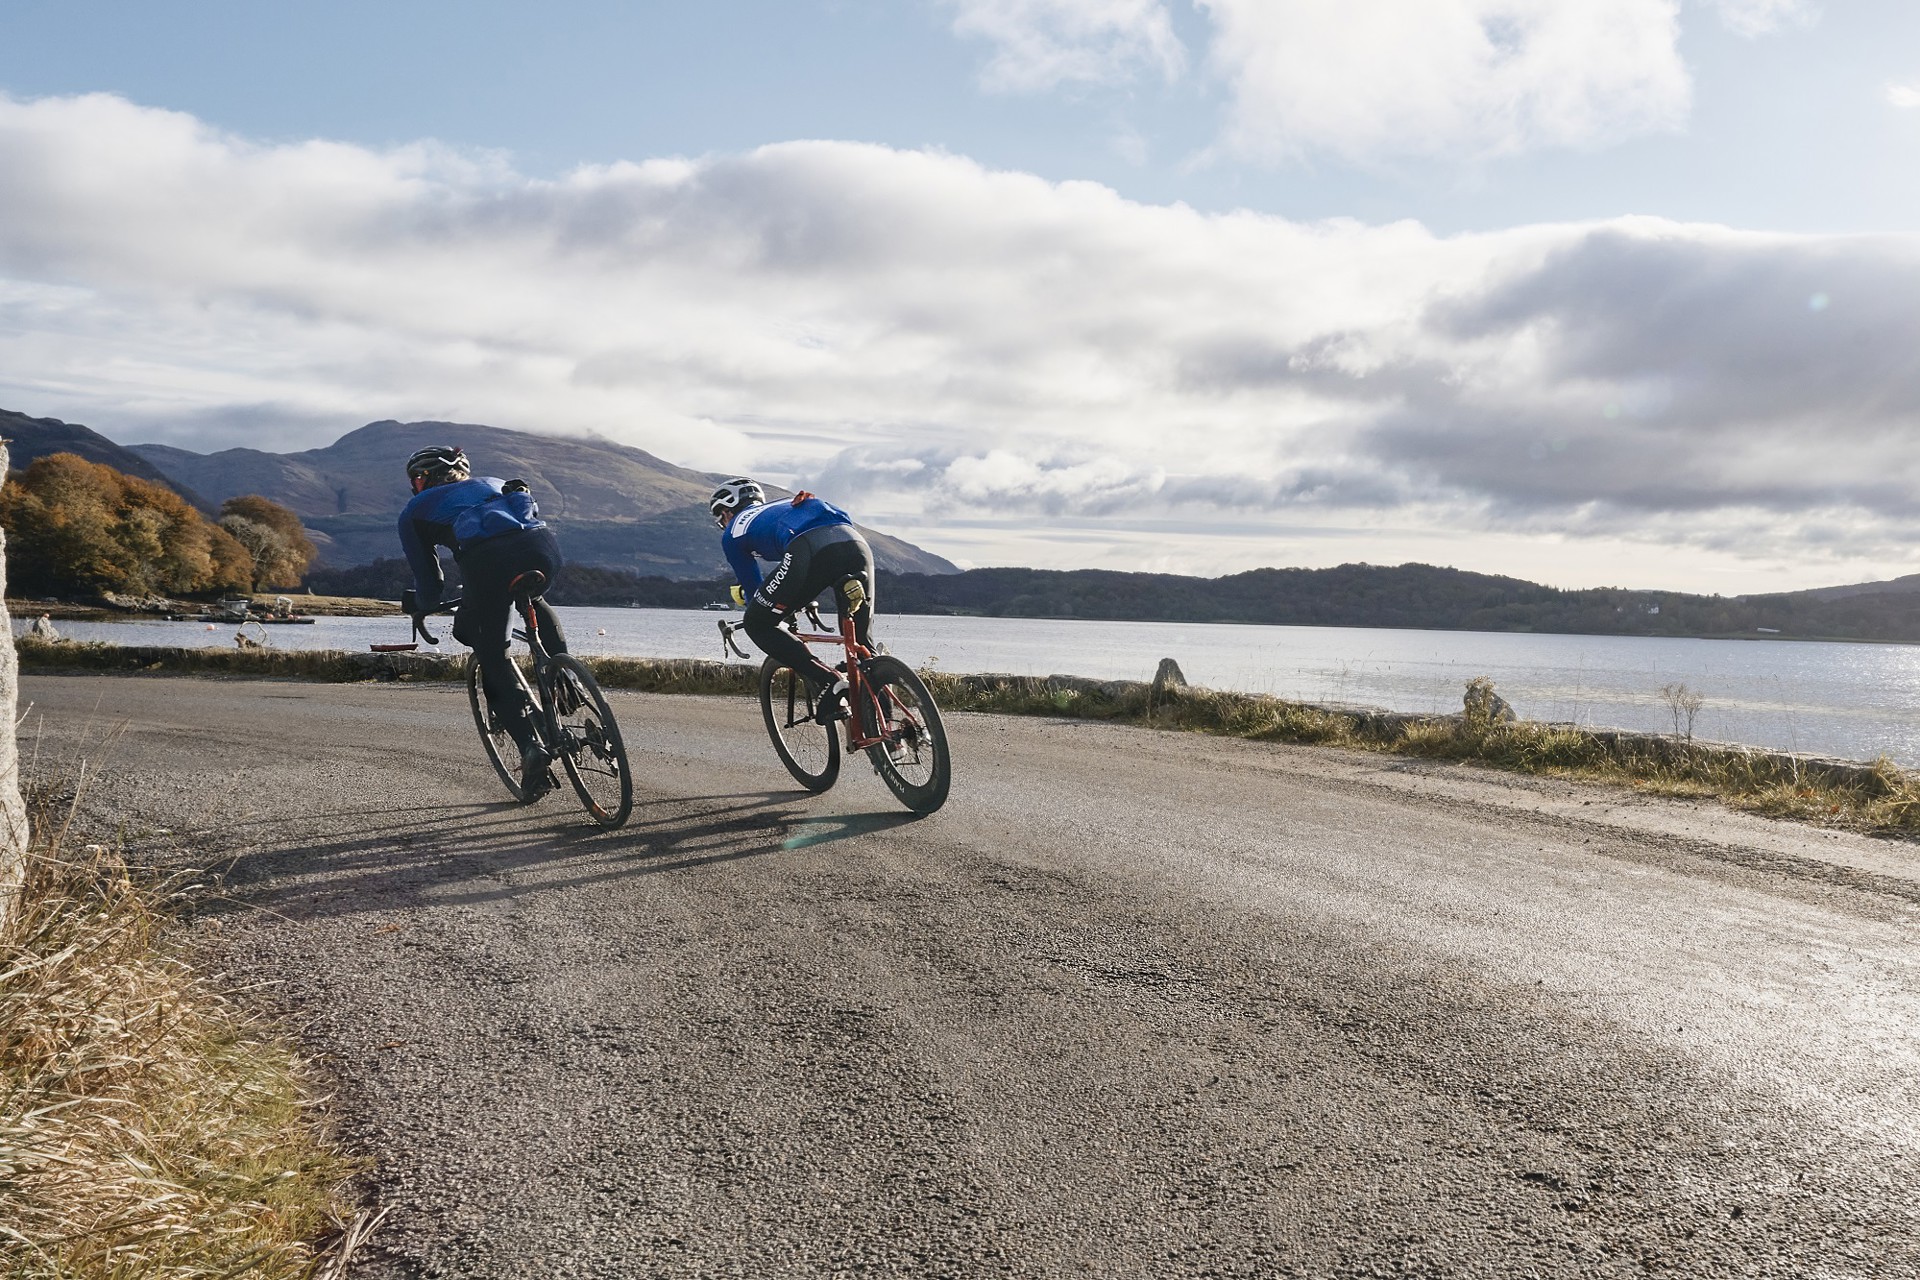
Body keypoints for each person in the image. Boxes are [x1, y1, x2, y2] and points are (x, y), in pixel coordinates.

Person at [399, 445, 567, 794]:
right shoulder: (495, 482)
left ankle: (530, 748)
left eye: (415, 480)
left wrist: (420, 605)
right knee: (533, 597)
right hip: (543, 547)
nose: (415, 488)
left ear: (423, 479)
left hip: (487, 564)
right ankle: (565, 679)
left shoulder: (414, 511)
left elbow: (431, 584)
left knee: (490, 654)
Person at [711, 478, 875, 718]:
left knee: (757, 623)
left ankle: (830, 681)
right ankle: (892, 737)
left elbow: (756, 590)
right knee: (862, 647)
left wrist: (752, 601)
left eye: (720, 519)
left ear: (726, 511)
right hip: (855, 542)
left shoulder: (734, 529)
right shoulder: (783, 505)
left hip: (809, 547)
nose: (723, 524)